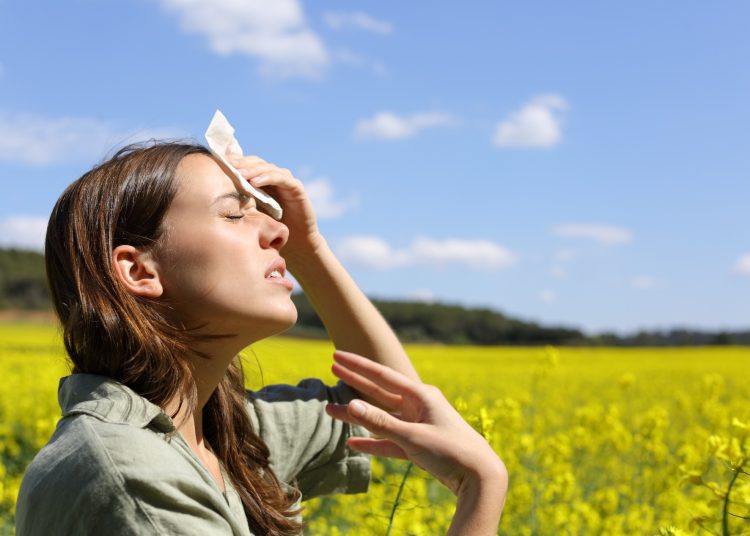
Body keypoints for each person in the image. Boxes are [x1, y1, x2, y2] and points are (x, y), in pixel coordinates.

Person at [16, 141, 507, 535]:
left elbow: (394, 411)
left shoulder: (218, 433)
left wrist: (310, 249)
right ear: (138, 270)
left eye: (268, 217)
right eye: (234, 215)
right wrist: (480, 492)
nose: (278, 232)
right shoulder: (134, 478)